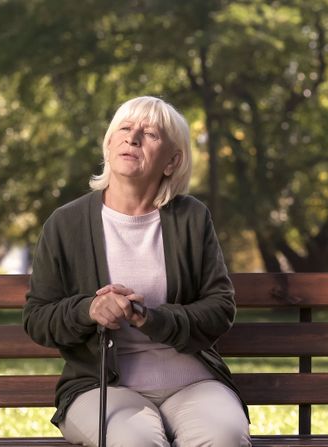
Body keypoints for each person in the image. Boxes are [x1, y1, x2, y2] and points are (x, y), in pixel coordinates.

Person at [23, 96, 251, 447]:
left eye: (151, 134)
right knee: (135, 441)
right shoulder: (65, 223)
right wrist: (89, 309)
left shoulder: (191, 217)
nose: (133, 139)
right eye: (125, 130)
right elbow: (38, 318)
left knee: (223, 437)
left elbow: (220, 308)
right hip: (101, 387)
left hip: (193, 384)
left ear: (172, 161)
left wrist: (151, 318)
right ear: (110, 143)